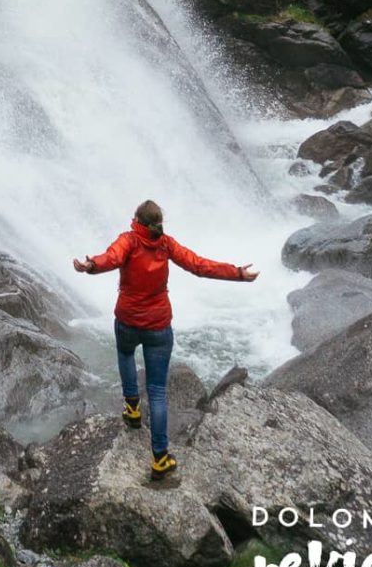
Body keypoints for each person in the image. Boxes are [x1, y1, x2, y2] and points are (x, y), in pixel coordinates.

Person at [73, 199, 258, 482]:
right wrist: (238, 274)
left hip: (127, 320)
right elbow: (198, 265)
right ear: (158, 223)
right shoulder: (166, 244)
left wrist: (90, 266)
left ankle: (132, 407)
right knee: (158, 391)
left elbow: (110, 257)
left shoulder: (129, 240)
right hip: (159, 325)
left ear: (136, 219)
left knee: (124, 356)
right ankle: (160, 459)